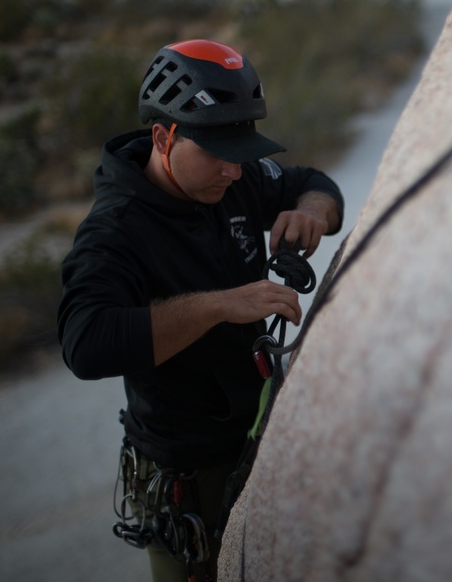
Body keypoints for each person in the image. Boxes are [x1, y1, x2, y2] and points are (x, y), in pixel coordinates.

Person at [58, 39, 344, 582]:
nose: (234, 173)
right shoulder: (115, 231)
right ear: (164, 137)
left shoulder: (231, 178)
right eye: (217, 154)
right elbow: (85, 341)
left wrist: (310, 212)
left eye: (241, 155)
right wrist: (221, 305)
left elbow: (314, 185)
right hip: (188, 478)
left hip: (263, 439)